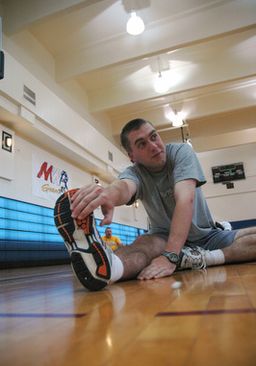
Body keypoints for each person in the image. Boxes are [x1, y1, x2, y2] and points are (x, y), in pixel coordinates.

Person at [54, 118, 256, 291]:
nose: (153, 145)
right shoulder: (134, 173)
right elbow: (124, 187)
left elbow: (185, 199)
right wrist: (108, 194)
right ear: (132, 156)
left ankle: (201, 258)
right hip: (162, 237)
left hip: (207, 235)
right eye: (141, 144)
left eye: (154, 136)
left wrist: (171, 257)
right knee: (141, 247)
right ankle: (107, 268)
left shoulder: (180, 152)